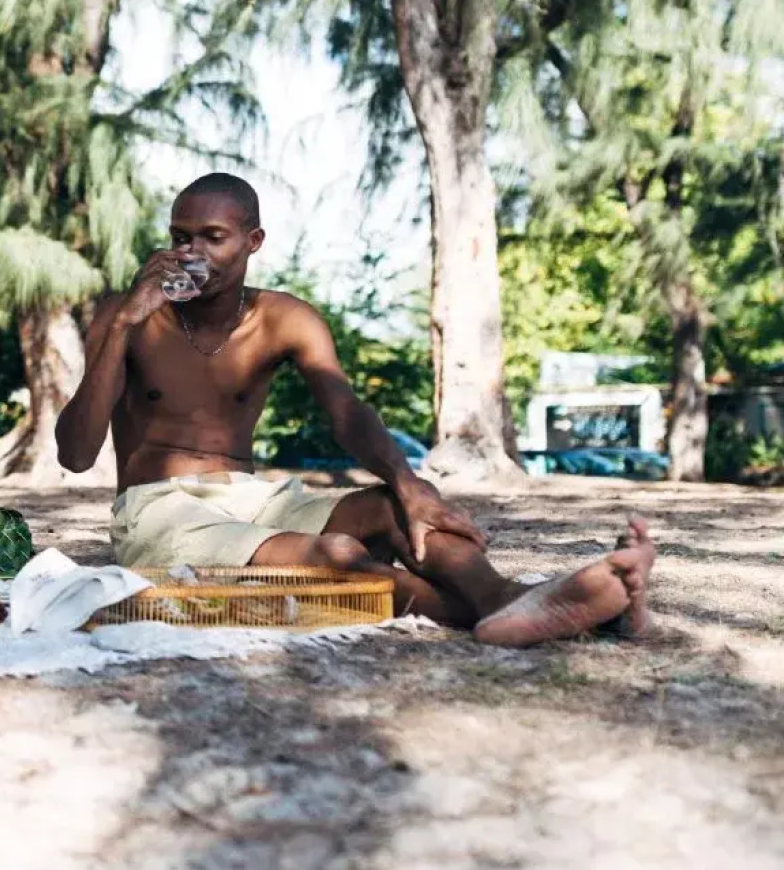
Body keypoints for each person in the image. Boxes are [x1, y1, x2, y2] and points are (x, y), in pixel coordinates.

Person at [54, 173, 654, 647]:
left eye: (213, 237)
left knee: (398, 509)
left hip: (258, 500)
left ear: (252, 242)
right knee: (338, 557)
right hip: (161, 509)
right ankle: (518, 609)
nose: (191, 252)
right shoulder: (125, 313)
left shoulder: (285, 318)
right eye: (181, 236)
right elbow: (77, 455)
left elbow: (347, 413)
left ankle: (511, 601)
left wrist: (407, 480)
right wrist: (126, 320)